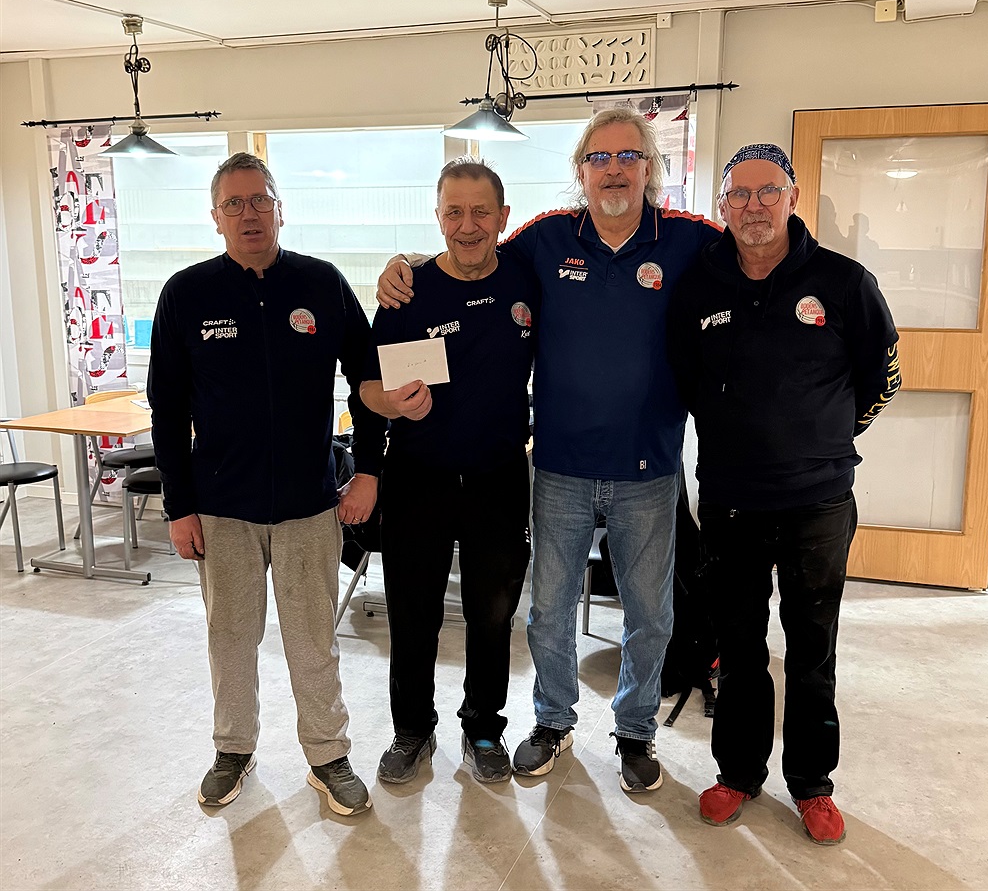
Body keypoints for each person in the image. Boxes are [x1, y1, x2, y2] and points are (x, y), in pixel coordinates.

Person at [378, 108, 722, 792]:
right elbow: (471, 256)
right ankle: (552, 721)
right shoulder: (545, 238)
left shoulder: (689, 239)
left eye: (629, 157)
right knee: (547, 612)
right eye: (600, 158)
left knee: (651, 615)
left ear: (650, 168)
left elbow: (755, 253)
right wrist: (406, 263)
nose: (614, 170)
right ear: (581, 171)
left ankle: (635, 731)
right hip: (560, 466)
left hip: (648, 467)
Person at [667, 143, 900, 844]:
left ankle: (811, 782)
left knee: (812, 649)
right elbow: (684, 380)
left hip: (818, 503)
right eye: (739, 194)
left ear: (793, 198)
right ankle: (738, 772)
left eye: (768, 191)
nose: (754, 206)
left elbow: (881, 377)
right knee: (738, 647)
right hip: (731, 500)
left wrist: (824, 439)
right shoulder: (699, 287)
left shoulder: (843, 282)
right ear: (723, 206)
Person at [148, 152, 385, 816]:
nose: (248, 214)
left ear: (281, 209)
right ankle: (233, 749)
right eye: (235, 203)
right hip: (222, 508)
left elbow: (368, 380)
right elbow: (167, 407)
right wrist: (179, 506)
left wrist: (369, 470)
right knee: (230, 639)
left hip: (309, 505)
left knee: (313, 641)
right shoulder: (186, 293)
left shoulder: (322, 283)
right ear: (216, 217)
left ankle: (328, 756)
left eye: (260, 200)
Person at [359, 159, 537, 785]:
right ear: (437, 217)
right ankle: (412, 729)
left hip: (498, 479)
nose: (468, 226)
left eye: (480, 212)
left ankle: (483, 727)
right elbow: (367, 389)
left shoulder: (527, 279)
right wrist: (386, 416)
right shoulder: (407, 292)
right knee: (413, 614)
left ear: (503, 218)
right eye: (454, 212)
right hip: (418, 479)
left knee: (493, 613)